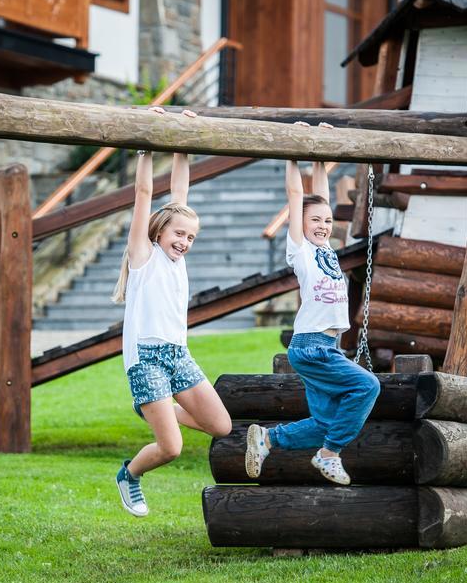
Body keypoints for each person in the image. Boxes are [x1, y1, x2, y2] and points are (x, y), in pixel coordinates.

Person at [245, 125, 380, 485]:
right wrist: (295, 151)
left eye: (326, 221)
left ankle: (268, 438)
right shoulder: (301, 251)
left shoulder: (326, 250)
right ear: (299, 225)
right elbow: (297, 193)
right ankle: (329, 454)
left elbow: (321, 195)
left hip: (327, 346)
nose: (322, 225)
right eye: (314, 221)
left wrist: (319, 151)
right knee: (367, 387)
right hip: (312, 347)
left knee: (323, 421)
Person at [113, 129, 232, 517]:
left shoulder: (178, 260)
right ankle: (129, 475)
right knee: (171, 447)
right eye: (179, 234)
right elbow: (144, 196)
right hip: (146, 359)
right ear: (159, 231)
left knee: (221, 425)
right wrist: (146, 148)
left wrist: (183, 139)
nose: (185, 242)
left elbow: (180, 193)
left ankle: (153, 406)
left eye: (191, 237)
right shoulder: (143, 258)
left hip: (179, 355)